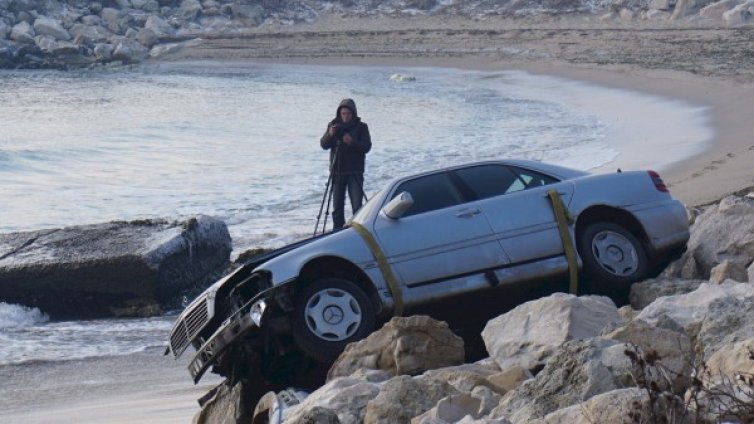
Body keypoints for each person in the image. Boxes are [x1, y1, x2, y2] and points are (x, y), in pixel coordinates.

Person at [320, 98, 372, 230]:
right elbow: (324, 145)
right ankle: (338, 233)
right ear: (339, 113)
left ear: (353, 113)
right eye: (343, 113)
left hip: (354, 172)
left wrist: (352, 142)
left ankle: (359, 233)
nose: (345, 116)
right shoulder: (333, 126)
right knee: (337, 208)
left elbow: (367, 147)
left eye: (348, 113)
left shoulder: (361, 127)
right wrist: (330, 134)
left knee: (357, 207)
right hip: (337, 172)